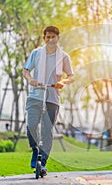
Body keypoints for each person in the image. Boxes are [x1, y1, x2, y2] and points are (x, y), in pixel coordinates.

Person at [23, 25, 74, 175]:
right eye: (48, 37)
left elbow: (71, 76)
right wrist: (31, 79)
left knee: (47, 131)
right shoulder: (36, 53)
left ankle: (42, 162)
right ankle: (35, 150)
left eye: (53, 37)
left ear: (58, 38)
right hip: (35, 95)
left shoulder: (64, 57)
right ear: (44, 38)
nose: (50, 39)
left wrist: (63, 82)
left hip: (52, 97)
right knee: (31, 126)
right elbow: (25, 71)